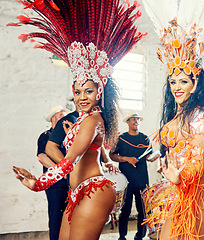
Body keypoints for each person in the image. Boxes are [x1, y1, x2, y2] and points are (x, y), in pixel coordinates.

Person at [10, 0, 146, 239]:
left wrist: (38, 183)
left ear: (99, 92)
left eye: (89, 91)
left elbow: (70, 162)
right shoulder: (82, 120)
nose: (82, 97)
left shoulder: (94, 120)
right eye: (78, 91)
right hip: (76, 192)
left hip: (94, 190)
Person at [143, 16, 204, 239]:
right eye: (173, 81)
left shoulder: (198, 114)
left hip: (198, 189)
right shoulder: (175, 115)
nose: (177, 87)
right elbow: (177, 146)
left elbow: (197, 154)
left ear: (194, 84)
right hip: (179, 188)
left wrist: (181, 176)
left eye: (183, 81)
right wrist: (163, 161)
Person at [109, 111, 157, 240]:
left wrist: (152, 158)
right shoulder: (121, 139)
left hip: (142, 180)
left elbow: (148, 156)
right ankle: (122, 236)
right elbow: (112, 155)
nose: (136, 121)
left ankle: (139, 236)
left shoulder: (145, 138)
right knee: (125, 210)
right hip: (126, 180)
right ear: (128, 122)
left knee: (143, 210)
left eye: (137, 119)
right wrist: (126, 158)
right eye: (133, 119)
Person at [37, 105, 67, 240]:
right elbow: (42, 158)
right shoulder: (45, 136)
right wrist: (62, 171)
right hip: (55, 186)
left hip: (70, 184)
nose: (65, 119)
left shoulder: (68, 138)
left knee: (69, 218)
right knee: (55, 219)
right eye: (62, 116)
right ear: (54, 118)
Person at [46, 97, 79, 164]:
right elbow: (48, 150)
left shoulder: (90, 119)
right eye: (60, 115)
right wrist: (67, 168)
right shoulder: (69, 120)